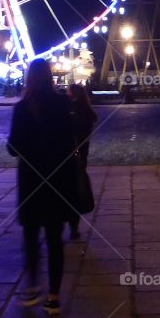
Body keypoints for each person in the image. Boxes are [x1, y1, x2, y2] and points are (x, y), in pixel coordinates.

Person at [7, 58, 77, 316]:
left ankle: (32, 287)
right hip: (56, 179)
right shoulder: (62, 104)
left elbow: (13, 148)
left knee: (30, 236)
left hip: (31, 180)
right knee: (54, 238)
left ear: (29, 78)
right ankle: (54, 296)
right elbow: (70, 141)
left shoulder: (23, 108)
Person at [67, 82, 97, 240]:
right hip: (82, 154)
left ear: (73, 93)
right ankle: (74, 227)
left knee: (68, 190)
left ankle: (70, 224)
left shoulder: (73, 109)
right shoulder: (86, 109)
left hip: (71, 153)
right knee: (76, 189)